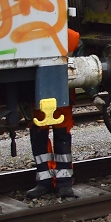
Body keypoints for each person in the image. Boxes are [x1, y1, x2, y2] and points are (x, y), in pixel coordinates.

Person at [25, 28, 79, 199]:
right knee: (45, 135)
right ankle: (50, 181)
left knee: (54, 135)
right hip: (47, 93)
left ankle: (57, 182)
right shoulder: (71, 36)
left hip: (53, 94)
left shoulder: (71, 37)